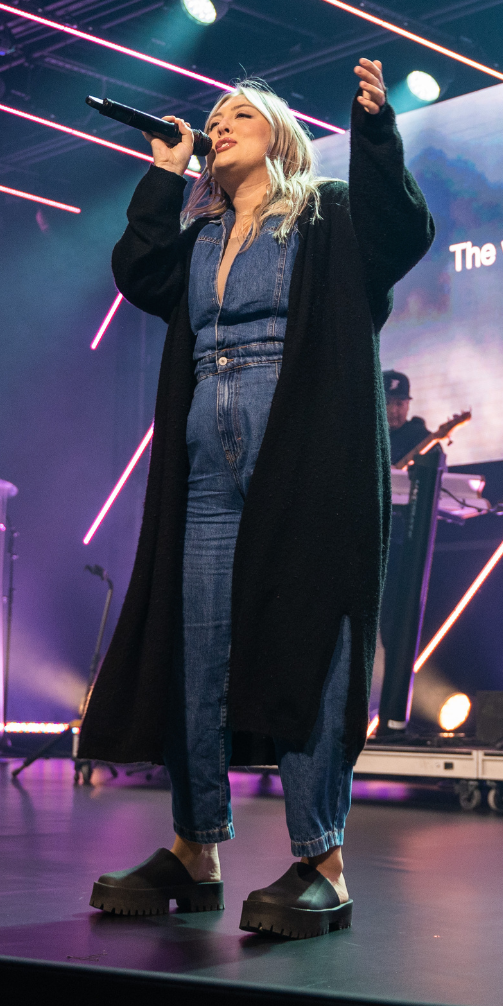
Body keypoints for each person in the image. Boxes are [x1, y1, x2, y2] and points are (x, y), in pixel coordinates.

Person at [83, 60, 434, 938]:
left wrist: (378, 131)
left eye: (240, 112)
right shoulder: (201, 237)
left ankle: (323, 858)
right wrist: (165, 172)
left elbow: (405, 231)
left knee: (309, 647)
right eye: (215, 116)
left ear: (279, 137)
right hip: (209, 469)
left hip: (304, 461)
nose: (221, 120)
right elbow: (138, 271)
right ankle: (195, 847)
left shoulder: (327, 215)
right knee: (196, 653)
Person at [384, 370, 429, 464]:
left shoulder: (422, 438)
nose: (392, 410)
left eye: (399, 404)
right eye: (386, 403)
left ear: (408, 405)